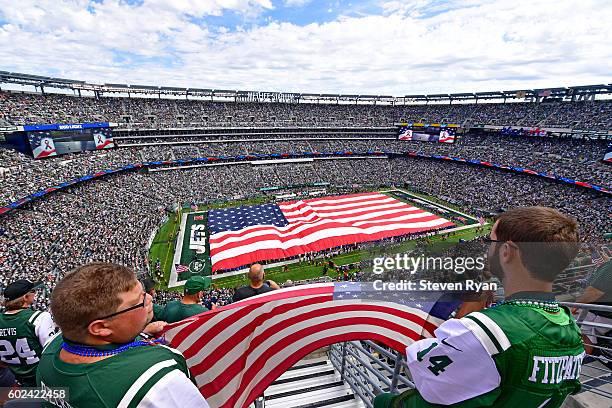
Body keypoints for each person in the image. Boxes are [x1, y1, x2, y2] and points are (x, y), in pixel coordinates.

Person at [374, 206, 585, 408]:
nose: (487, 248)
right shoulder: (572, 332)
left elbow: (427, 380)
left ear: (506, 252)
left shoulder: (493, 329)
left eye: (490, 241)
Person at [36, 262, 209, 407]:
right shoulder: (158, 378)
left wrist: (141, 331)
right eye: (138, 301)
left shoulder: (51, 348)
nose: (149, 299)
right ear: (100, 328)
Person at [0, 279, 56, 386]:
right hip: (39, 379)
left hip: (13, 380)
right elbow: (50, 352)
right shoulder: (39, 318)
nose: (35, 294)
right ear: (25, 297)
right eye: (33, 291)